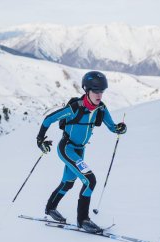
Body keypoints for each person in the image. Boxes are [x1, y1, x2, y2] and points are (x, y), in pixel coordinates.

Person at [36, 71, 127, 233]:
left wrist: (119, 128)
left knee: (68, 183)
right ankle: (83, 219)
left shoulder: (101, 109)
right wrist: (40, 140)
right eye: (95, 91)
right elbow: (48, 119)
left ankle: (50, 208)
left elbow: (112, 127)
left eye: (101, 91)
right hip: (67, 148)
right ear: (87, 90)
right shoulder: (75, 108)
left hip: (79, 150)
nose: (99, 95)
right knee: (90, 180)